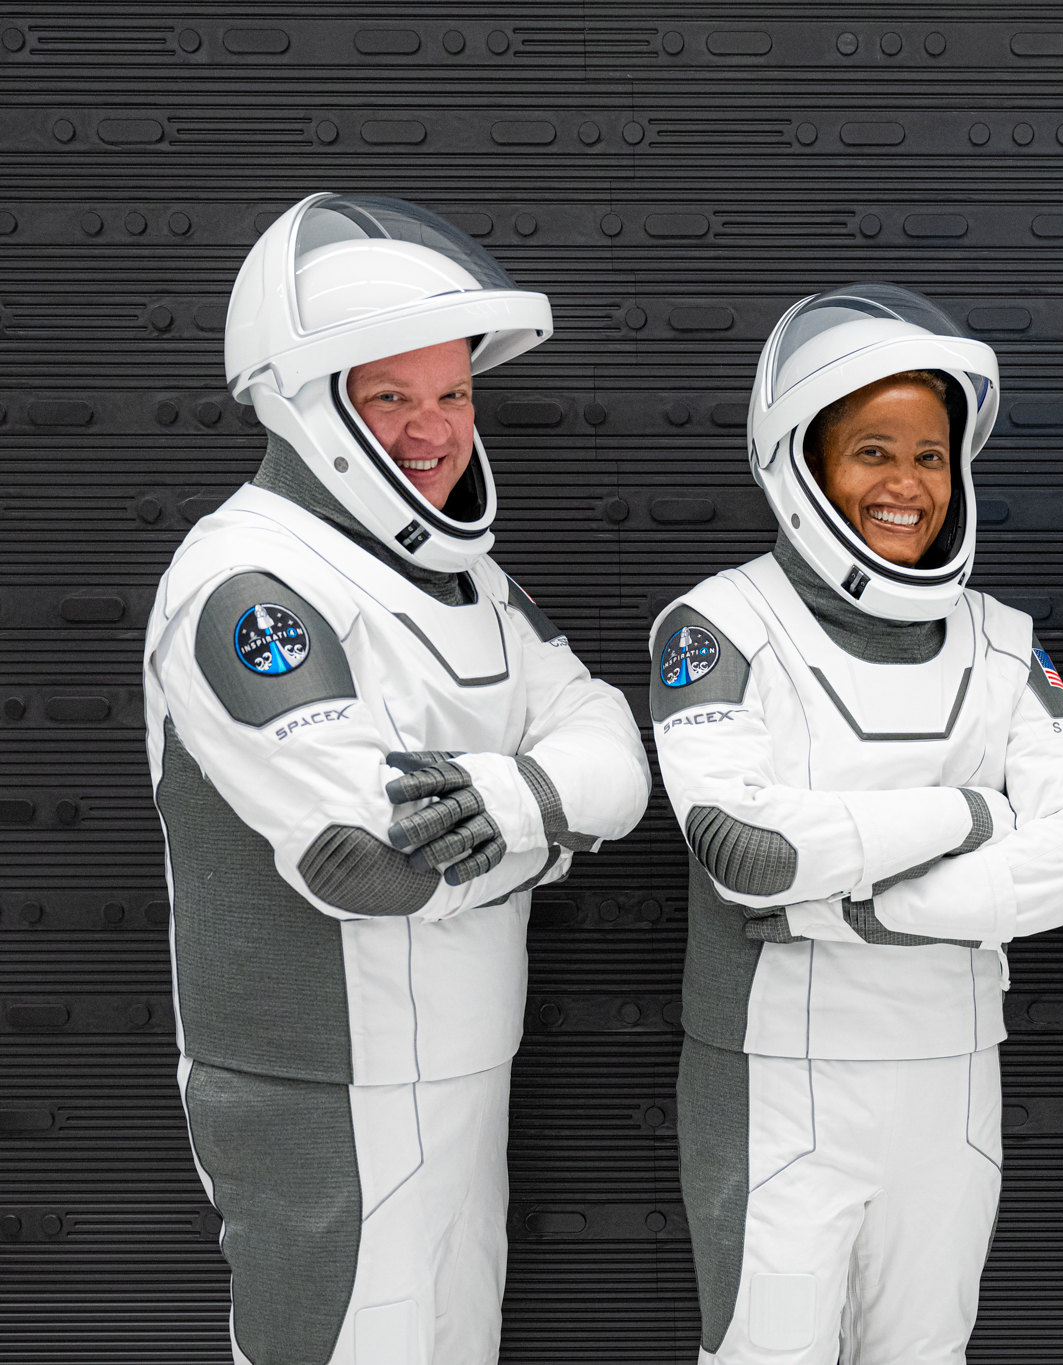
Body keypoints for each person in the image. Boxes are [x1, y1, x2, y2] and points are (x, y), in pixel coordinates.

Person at [142, 192, 651, 1365]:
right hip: (318, 1084)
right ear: (309, 405)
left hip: (467, 1061)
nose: (434, 432)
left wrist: (509, 808)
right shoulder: (248, 583)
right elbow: (365, 860)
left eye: (453, 394)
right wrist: (554, 824)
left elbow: (614, 748)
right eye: (391, 397)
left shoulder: (474, 587)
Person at [648, 282, 1063, 1365]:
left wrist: (853, 912)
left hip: (950, 1079)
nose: (906, 484)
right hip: (776, 1083)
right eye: (871, 451)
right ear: (802, 463)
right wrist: (971, 811)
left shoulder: (1002, 641)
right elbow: (748, 850)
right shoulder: (717, 625)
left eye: (929, 454)